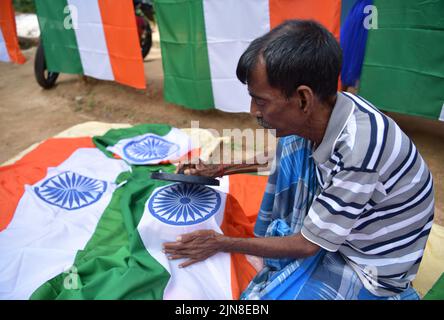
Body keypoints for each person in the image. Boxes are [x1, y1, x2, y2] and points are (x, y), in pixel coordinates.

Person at [163, 20, 434, 300]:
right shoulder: (330, 111)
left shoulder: (359, 150)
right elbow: (285, 156)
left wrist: (221, 244)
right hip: (344, 230)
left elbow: (307, 246)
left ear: (304, 99)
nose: (253, 111)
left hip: (368, 263)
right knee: (291, 143)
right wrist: (222, 167)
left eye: (262, 101)